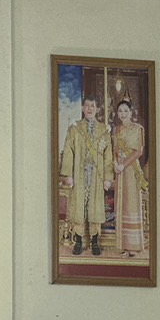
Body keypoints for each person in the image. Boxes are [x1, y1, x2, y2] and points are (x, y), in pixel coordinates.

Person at [58, 95, 112, 257]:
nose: (89, 109)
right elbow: (68, 151)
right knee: (79, 206)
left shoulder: (104, 131)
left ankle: (95, 240)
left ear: (97, 109)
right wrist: (68, 174)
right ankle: (79, 241)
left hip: (97, 174)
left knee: (95, 207)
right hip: (79, 174)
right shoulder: (75, 129)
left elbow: (108, 155)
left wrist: (108, 178)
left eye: (92, 106)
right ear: (83, 108)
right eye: (87, 106)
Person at [111, 98, 147, 257]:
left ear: (131, 112)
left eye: (126, 111)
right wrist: (114, 164)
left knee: (131, 202)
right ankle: (123, 245)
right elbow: (113, 150)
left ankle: (134, 246)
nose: (123, 114)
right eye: (120, 111)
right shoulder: (116, 130)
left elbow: (138, 151)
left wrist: (123, 165)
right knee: (121, 204)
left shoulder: (138, 129)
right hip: (119, 171)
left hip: (131, 170)